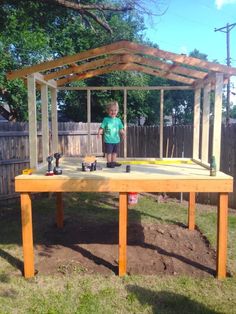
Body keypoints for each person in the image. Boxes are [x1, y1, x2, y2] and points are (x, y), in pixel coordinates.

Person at [97, 101, 125, 168]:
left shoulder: (118, 120)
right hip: (108, 140)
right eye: (111, 110)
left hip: (116, 140)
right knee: (109, 152)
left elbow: (121, 129)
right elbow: (102, 127)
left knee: (115, 152)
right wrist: (99, 133)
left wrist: (123, 133)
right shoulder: (106, 119)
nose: (113, 112)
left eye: (115, 110)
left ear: (117, 111)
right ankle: (109, 163)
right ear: (108, 111)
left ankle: (113, 162)